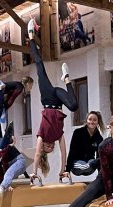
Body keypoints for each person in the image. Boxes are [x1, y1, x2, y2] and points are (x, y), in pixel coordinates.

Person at [27, 18, 78, 180]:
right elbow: (64, 153)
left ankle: (30, 35)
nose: (49, 146)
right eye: (51, 147)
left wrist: (34, 173)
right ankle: (67, 78)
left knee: (40, 66)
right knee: (74, 106)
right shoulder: (58, 136)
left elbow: (36, 154)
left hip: (48, 97)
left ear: (43, 148)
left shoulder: (41, 136)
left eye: (46, 148)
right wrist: (63, 170)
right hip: (58, 102)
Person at [65, 111, 105, 176]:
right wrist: (67, 170)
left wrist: (100, 175)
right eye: (90, 119)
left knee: (93, 161)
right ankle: (88, 165)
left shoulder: (99, 138)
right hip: (76, 165)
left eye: (94, 120)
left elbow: (98, 157)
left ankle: (89, 165)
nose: (92, 122)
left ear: (98, 122)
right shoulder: (78, 132)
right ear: (86, 120)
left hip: (89, 167)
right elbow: (72, 151)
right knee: (84, 164)